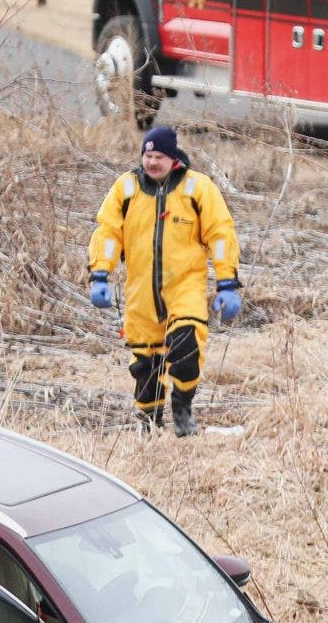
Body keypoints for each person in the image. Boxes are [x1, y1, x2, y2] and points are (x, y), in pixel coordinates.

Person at [87, 125, 242, 435]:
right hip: (141, 293)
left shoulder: (197, 189)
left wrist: (228, 282)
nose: (152, 162)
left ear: (173, 159)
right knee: (146, 365)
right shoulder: (126, 189)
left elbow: (221, 234)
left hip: (184, 287)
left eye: (159, 156)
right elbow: (107, 232)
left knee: (185, 350)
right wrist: (100, 273)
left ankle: (182, 410)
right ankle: (149, 423)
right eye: (148, 155)